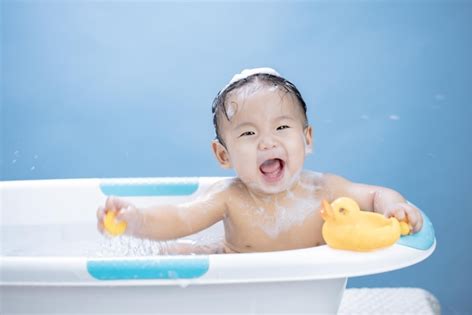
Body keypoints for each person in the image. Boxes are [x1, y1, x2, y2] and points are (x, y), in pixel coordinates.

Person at [97, 67, 423, 254]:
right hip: (237, 290)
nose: (267, 142)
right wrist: (136, 221)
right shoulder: (229, 197)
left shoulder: (324, 190)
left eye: (282, 127)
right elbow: (180, 219)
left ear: (307, 139)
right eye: (248, 134)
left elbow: (377, 195)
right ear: (223, 155)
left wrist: (394, 209)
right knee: (180, 256)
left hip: (300, 293)